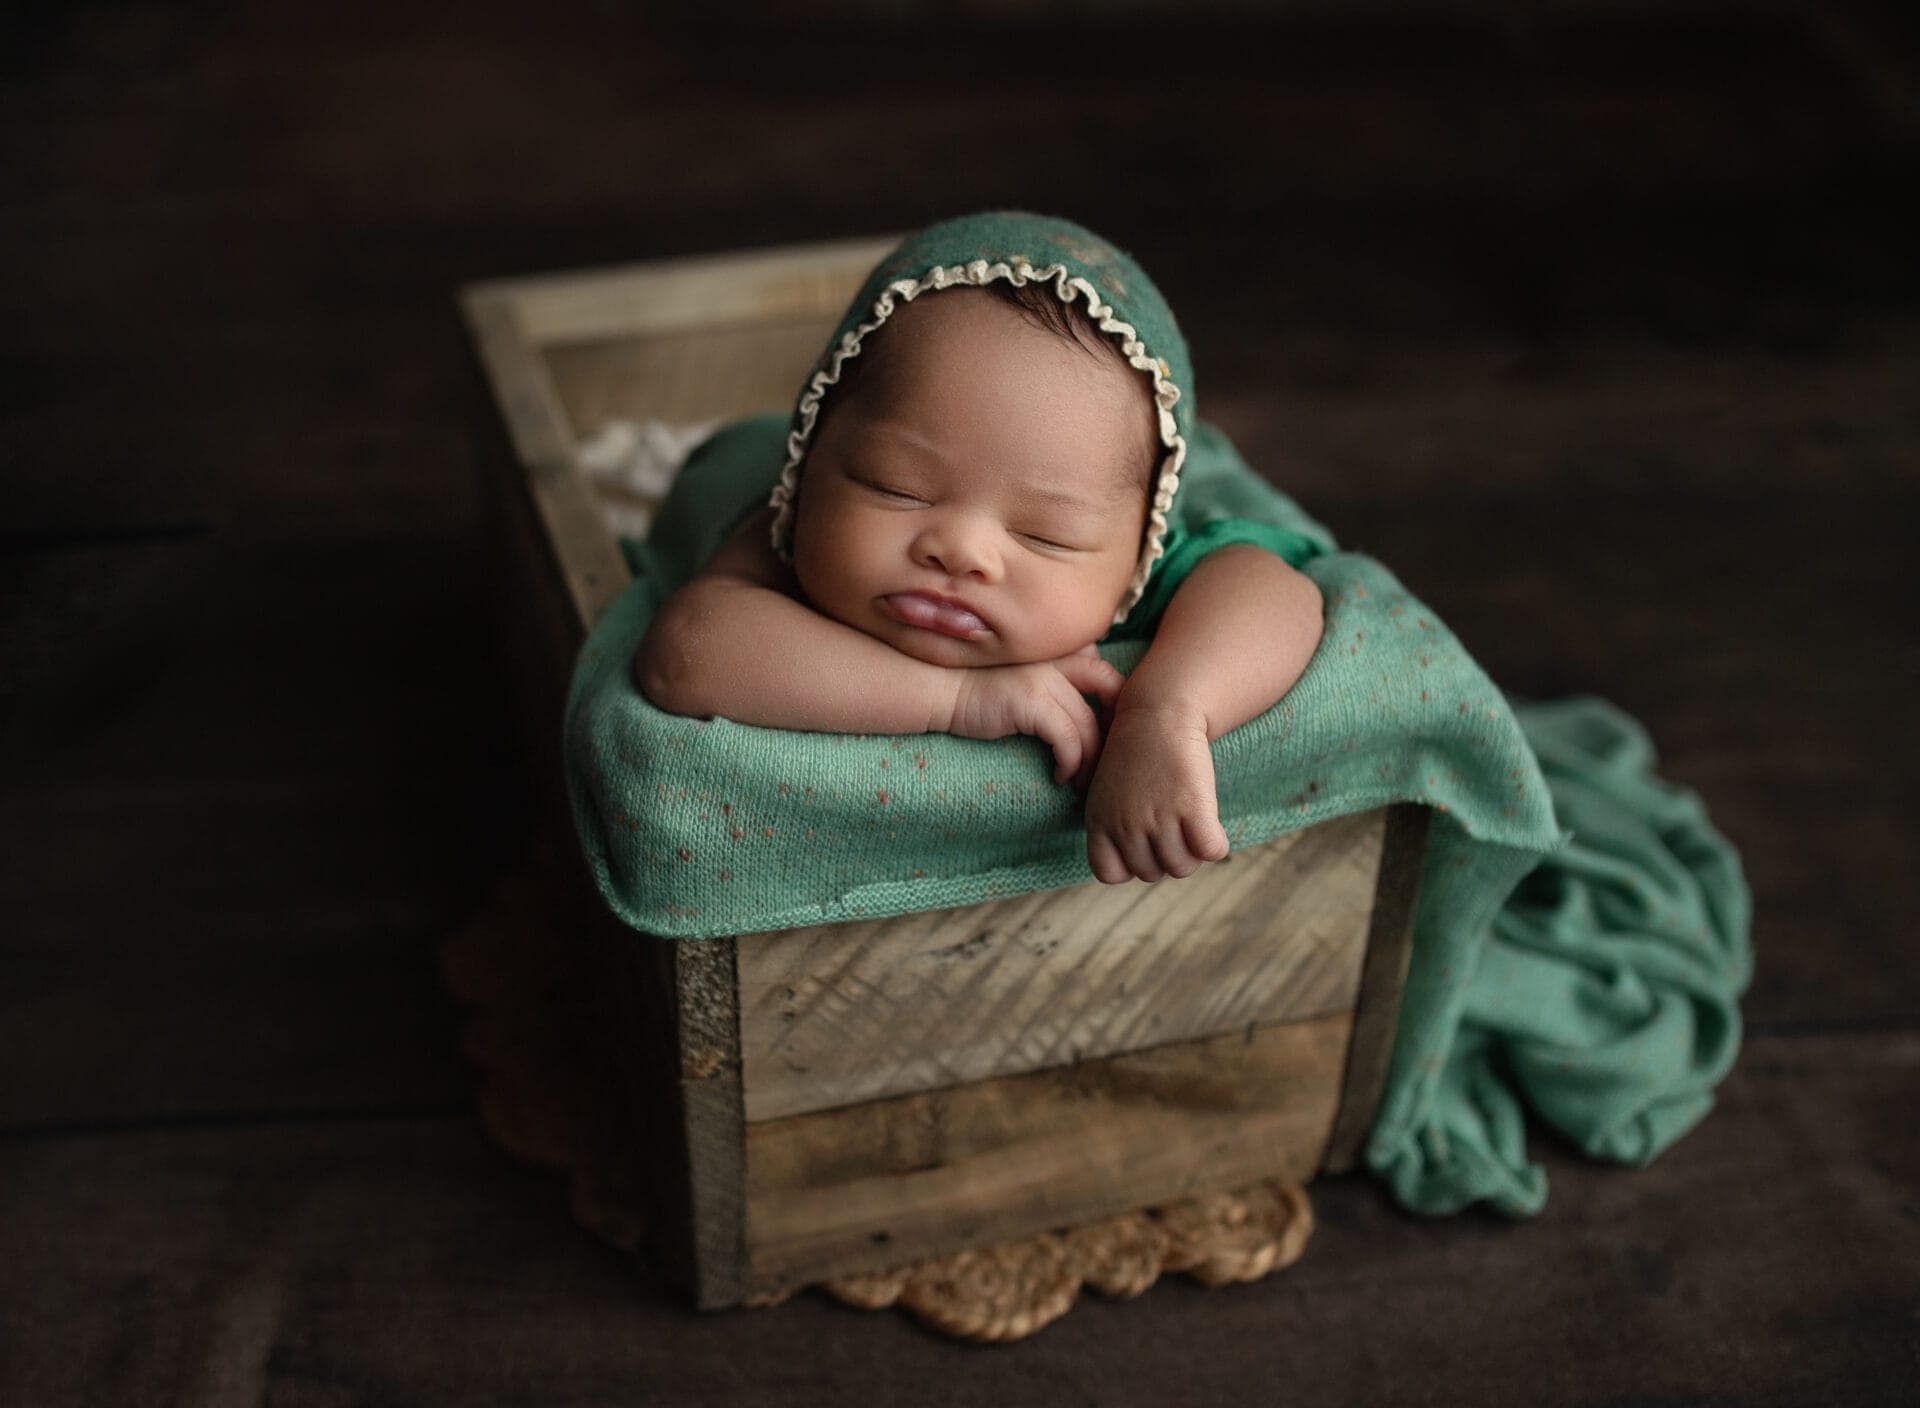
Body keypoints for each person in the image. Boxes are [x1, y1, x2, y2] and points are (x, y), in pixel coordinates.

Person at [635, 213, 1326, 885]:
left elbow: (1278, 592)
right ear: (809, 462)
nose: (962, 551)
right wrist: (956, 696)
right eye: (896, 487)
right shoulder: (791, 535)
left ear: (1135, 559)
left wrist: (1167, 710)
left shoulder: (1146, 579)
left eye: (1044, 534)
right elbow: (685, 655)